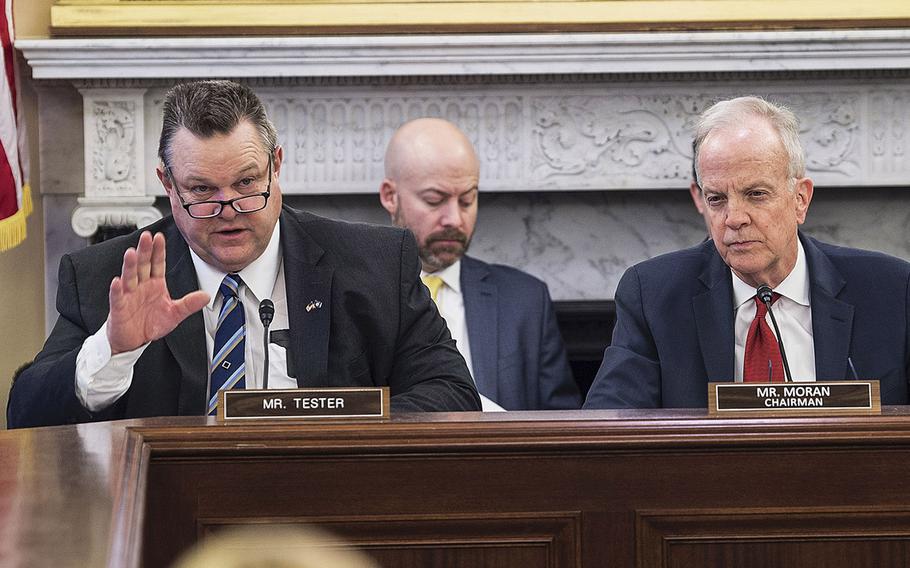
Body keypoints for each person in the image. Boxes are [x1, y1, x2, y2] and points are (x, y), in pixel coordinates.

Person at [8, 80, 479, 428]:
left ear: (276, 165)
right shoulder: (105, 277)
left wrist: (336, 428)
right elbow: (26, 415)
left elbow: (453, 394)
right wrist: (112, 350)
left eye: (247, 184)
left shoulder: (375, 264)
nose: (229, 210)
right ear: (167, 185)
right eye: (202, 190)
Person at [584, 96, 910, 409]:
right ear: (700, 200)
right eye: (717, 199)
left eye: (755, 194)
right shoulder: (654, 295)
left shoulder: (892, 290)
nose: (734, 218)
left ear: (800, 199)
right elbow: (605, 428)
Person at [379, 117, 581, 411]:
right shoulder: (352, 296)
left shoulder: (526, 299)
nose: (455, 219)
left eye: (467, 200)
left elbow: (564, 426)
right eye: (435, 200)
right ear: (390, 196)